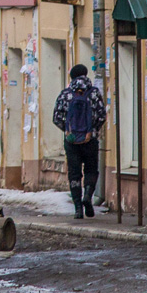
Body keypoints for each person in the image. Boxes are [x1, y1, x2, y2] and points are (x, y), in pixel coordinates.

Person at [52, 63, 107, 219]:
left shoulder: (65, 94)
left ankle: (77, 208)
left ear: (72, 77)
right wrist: (93, 130)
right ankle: (88, 196)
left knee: (74, 173)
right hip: (90, 140)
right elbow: (102, 115)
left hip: (71, 142)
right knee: (91, 170)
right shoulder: (94, 93)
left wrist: (68, 131)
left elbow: (56, 117)